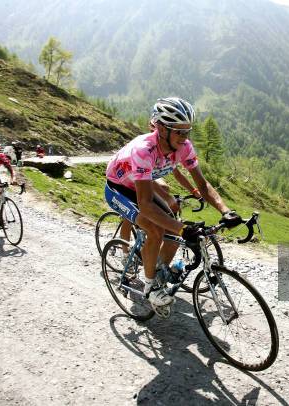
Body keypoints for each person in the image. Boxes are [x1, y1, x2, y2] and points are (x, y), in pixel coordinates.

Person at [104, 97, 242, 307]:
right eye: (179, 131)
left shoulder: (184, 147)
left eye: (187, 131)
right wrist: (182, 229)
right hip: (119, 188)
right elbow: (146, 204)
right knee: (155, 229)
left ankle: (158, 270)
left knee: (171, 225)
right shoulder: (143, 150)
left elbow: (203, 185)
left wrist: (225, 210)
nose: (184, 137)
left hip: (141, 184)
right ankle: (150, 287)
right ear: (160, 128)